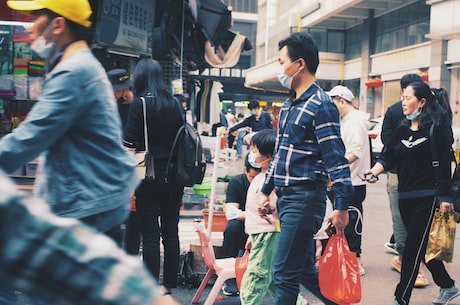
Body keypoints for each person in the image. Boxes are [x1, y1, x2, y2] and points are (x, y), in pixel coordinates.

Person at [1, 0, 138, 234]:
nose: (30, 28)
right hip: (90, 204)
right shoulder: (81, 66)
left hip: (86, 210)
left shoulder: (73, 72)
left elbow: (30, 137)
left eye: (36, 18)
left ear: (57, 25)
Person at [257, 31, 353, 305]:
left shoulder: (321, 105)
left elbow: (336, 158)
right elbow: (280, 154)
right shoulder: (288, 105)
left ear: (299, 64)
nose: (280, 69)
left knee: (284, 275)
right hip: (287, 198)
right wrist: (266, 191)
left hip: (306, 199)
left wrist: (342, 207)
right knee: (304, 272)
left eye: (281, 62)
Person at [0, 171, 178, 305]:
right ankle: (166, 285)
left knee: (148, 236)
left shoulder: (138, 120)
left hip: (134, 186)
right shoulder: (178, 120)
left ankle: (155, 287)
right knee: (166, 232)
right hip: (167, 181)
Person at [367, 81, 459, 305]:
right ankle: (448, 286)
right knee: (423, 246)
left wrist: (445, 197)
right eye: (402, 97)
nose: (403, 101)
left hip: (428, 197)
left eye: (408, 98)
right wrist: (374, 171)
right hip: (405, 197)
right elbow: (388, 157)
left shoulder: (435, 129)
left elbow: (445, 165)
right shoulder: (401, 128)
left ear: (422, 102)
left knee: (411, 250)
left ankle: (401, 299)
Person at [123, 58, 184, 296]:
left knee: (150, 233)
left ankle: (149, 285)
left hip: (147, 175)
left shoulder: (140, 104)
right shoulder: (176, 104)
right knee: (171, 231)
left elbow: (129, 145)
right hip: (174, 177)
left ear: (140, 78)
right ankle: (168, 285)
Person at [240, 129, 307, 305]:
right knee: (272, 280)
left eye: (255, 151)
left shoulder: (273, 180)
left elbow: (279, 209)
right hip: (262, 234)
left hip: (269, 233)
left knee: (256, 277)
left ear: (269, 155)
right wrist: (252, 236)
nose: (251, 154)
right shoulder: (261, 177)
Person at [380, 73, 429, 287]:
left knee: (412, 222)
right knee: (402, 221)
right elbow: (387, 144)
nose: (406, 100)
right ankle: (411, 265)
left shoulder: (429, 117)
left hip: (417, 178)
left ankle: (407, 261)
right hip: (401, 175)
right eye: (405, 96)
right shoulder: (395, 112)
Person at [328, 85, 370, 276]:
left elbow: (354, 152)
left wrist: (334, 170)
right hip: (347, 180)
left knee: (351, 222)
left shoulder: (354, 121)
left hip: (351, 182)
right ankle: (347, 258)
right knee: (344, 222)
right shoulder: (347, 120)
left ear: (342, 101)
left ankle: (355, 260)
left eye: (333, 103)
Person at [107, 68, 141, 254]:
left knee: (133, 220)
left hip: (132, 167)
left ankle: (130, 255)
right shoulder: (113, 107)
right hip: (114, 168)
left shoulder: (136, 107)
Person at [222, 153, 262, 296]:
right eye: (252, 177)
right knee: (232, 228)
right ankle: (229, 278)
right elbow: (232, 213)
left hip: (265, 226)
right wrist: (254, 215)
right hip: (244, 226)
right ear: (245, 170)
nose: (255, 181)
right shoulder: (237, 182)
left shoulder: (268, 183)